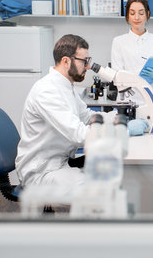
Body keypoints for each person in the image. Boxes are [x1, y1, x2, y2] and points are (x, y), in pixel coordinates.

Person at [15, 34, 101, 189]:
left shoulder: (67, 86)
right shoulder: (47, 91)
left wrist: (118, 119)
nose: (88, 67)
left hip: (60, 162)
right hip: (41, 171)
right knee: (99, 189)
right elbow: (78, 134)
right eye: (84, 61)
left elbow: (88, 117)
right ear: (66, 61)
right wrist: (120, 131)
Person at [111, 0, 153, 118]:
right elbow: (117, 77)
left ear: (148, 14)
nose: (137, 18)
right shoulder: (118, 42)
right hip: (128, 102)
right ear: (127, 16)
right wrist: (137, 77)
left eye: (141, 13)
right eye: (132, 13)